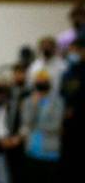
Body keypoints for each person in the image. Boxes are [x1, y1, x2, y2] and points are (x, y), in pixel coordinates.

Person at [20, 72, 64, 183]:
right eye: (39, 80)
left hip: (50, 151)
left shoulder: (57, 101)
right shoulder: (28, 101)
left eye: (44, 80)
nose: (41, 83)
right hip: (32, 151)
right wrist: (35, 105)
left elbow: (55, 125)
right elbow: (27, 121)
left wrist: (36, 126)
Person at [0, 64, 30, 183]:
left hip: (24, 140)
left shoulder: (29, 92)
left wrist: (19, 137)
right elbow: (1, 115)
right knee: (11, 175)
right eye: (16, 73)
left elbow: (30, 118)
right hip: (8, 140)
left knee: (24, 174)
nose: (18, 76)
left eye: (21, 73)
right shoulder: (8, 92)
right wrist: (2, 137)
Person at [59, 29, 85, 183]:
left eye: (76, 50)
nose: (72, 53)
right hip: (69, 127)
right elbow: (63, 96)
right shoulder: (67, 73)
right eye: (71, 50)